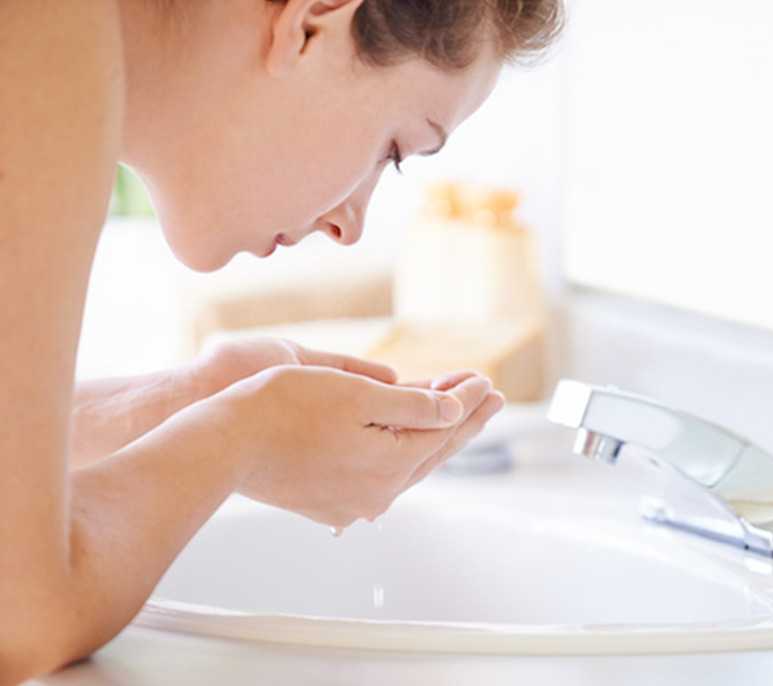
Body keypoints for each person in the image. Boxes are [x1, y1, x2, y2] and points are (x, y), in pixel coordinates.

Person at [0, 0, 563, 682]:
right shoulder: (49, 32)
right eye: (393, 149)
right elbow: (18, 612)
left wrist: (176, 403)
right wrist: (244, 436)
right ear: (311, 22)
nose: (349, 226)